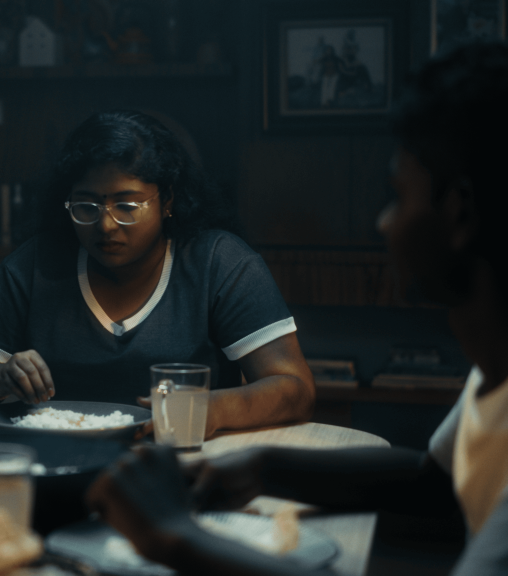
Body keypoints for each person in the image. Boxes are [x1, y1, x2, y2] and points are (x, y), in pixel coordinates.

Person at [86, 42, 508, 575]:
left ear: (459, 212)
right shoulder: (495, 373)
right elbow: (435, 484)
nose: (384, 223)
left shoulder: (220, 260)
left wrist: (173, 535)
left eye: (398, 196)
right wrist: (262, 467)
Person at [0, 110, 315, 437]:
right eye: (86, 206)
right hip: (59, 465)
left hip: (185, 466)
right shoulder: (35, 265)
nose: (106, 226)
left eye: (128, 206)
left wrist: (207, 410)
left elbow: (295, 388)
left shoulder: (219, 263)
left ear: (167, 201)